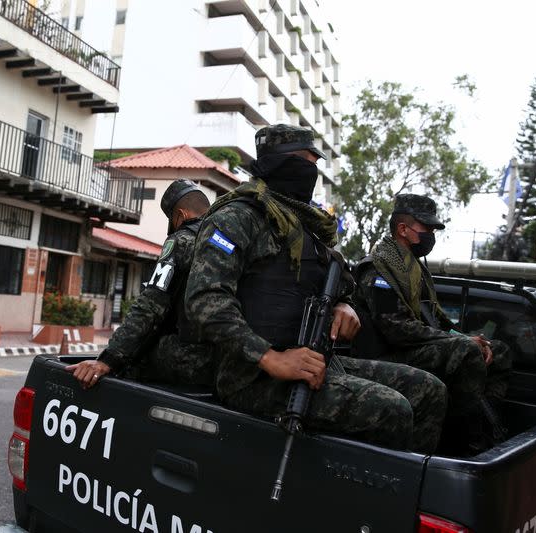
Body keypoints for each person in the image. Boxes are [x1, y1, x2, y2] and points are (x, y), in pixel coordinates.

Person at [184, 124, 447, 453]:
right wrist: (270, 357)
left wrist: (344, 305)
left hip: (318, 360)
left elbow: (342, 282)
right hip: (253, 375)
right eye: (305, 161)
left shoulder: (306, 226)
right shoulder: (237, 218)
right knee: (392, 409)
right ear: (279, 163)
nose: (312, 171)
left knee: (429, 389)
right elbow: (205, 300)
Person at [352, 193, 512, 454]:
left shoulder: (415, 270)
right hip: (385, 354)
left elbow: (436, 320)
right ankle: (467, 445)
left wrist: (462, 336)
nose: (431, 235)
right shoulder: (377, 268)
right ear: (403, 229)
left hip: (412, 348)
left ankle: (486, 422)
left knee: (498, 350)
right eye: (427, 228)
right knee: (466, 351)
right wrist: (459, 341)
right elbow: (397, 329)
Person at [67, 179, 214, 389]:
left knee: (131, 360)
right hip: (225, 362)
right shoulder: (227, 240)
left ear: (181, 215)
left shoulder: (181, 240)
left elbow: (150, 305)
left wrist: (108, 360)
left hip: (192, 359)